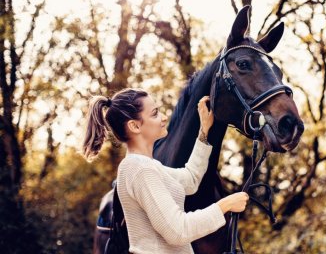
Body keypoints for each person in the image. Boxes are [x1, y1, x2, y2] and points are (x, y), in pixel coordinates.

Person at [82, 88, 249, 254]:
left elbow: (191, 179)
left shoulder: (147, 166)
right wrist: (225, 205)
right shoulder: (140, 169)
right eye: (155, 114)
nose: (164, 117)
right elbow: (178, 231)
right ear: (134, 126)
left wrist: (204, 131)